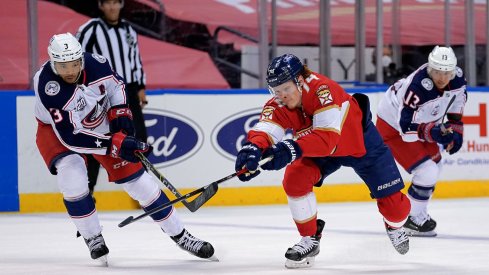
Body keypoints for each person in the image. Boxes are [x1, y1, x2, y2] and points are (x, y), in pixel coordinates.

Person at [34, 33, 215, 264]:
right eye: (62, 66)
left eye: (74, 64)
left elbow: (116, 85)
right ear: (52, 62)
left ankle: (181, 236)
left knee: (141, 184)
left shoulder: (96, 63)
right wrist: (115, 144)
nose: (69, 71)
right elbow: (71, 136)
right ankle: (93, 237)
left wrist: (120, 111)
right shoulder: (48, 85)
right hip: (57, 133)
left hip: (98, 120)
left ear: (81, 58)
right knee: (72, 177)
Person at [234, 53, 411, 268]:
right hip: (320, 150)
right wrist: (253, 148)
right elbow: (267, 128)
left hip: (360, 145)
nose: (282, 96)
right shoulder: (280, 101)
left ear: (300, 81)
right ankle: (310, 238)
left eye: (286, 89)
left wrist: (289, 149)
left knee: (397, 210)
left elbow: (327, 139)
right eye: (276, 90)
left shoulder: (324, 90)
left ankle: (394, 227)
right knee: (294, 179)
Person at [376, 46, 467, 237]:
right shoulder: (416, 87)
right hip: (392, 127)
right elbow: (405, 128)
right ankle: (409, 219)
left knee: (436, 165)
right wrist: (433, 133)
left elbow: (457, 103)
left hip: (422, 122)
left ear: (453, 71)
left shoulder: (457, 78)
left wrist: (457, 129)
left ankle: (417, 215)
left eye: (447, 73)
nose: (442, 78)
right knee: (427, 170)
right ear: (430, 69)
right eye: (437, 72)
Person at [76, 0, 148, 196]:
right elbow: (77, 59)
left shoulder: (129, 30)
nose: (112, 7)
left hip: (129, 90)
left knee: (139, 136)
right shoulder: (90, 29)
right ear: (100, 5)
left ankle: (145, 187)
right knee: (97, 140)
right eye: (108, 3)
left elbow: (136, 59)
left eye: (116, 3)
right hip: (99, 92)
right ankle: (87, 190)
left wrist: (140, 86)